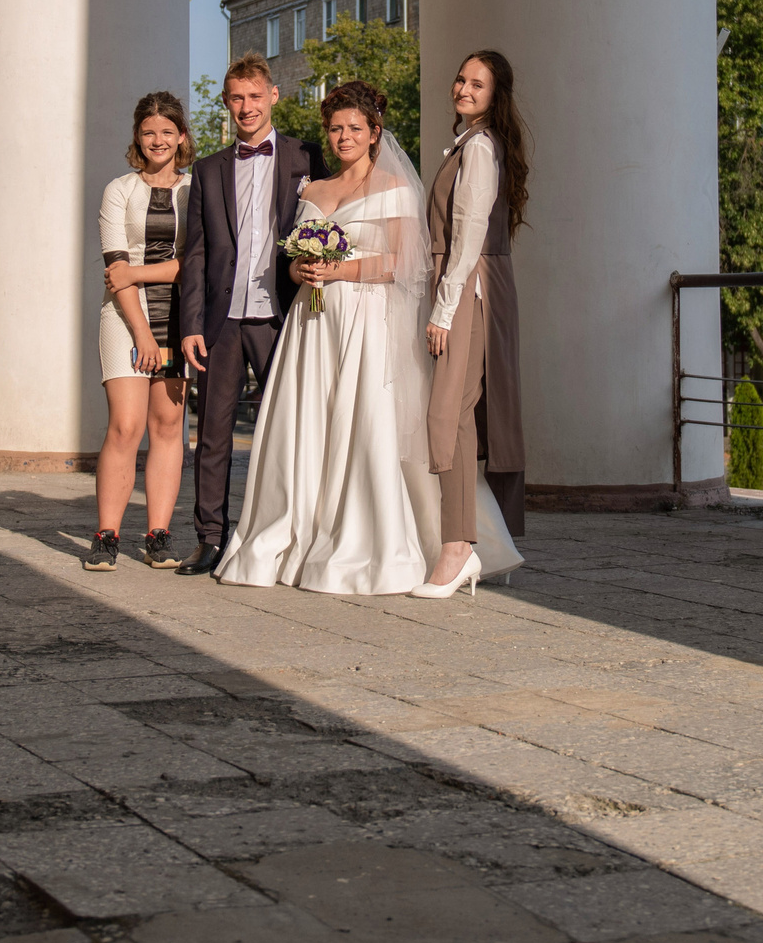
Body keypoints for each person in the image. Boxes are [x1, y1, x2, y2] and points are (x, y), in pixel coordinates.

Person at [217, 82, 518, 595]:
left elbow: (406, 263)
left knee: (364, 427)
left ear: (375, 133)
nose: (344, 137)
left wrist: (340, 269)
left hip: (367, 326)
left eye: (355, 128)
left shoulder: (395, 189)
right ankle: (293, 535)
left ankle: (378, 546)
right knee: (307, 427)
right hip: (313, 329)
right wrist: (302, 272)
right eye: (335, 129)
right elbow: (290, 263)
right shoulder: (310, 191)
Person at [173, 54, 313, 576]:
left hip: (283, 315)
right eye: (236, 98)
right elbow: (196, 254)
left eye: (255, 96)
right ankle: (211, 538)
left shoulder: (306, 158)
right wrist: (190, 325)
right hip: (221, 320)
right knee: (212, 432)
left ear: (273, 96)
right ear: (227, 102)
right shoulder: (208, 170)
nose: (246, 107)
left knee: (291, 427)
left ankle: (291, 533)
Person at [419, 49, 530, 599]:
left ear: (494, 95)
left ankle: (459, 547)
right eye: (461, 78)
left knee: (450, 413)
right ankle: (472, 542)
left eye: (477, 84)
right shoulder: (467, 144)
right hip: (467, 284)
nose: (464, 88)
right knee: (459, 416)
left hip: (468, 288)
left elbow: (468, 237)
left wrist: (443, 309)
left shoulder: (480, 149)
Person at [86, 93, 195, 572]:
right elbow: (115, 270)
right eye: (149, 132)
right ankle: (106, 535)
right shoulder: (118, 190)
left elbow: (193, 267)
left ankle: (158, 535)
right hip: (126, 320)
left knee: (169, 426)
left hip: (178, 316)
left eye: (167, 131)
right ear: (138, 137)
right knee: (126, 425)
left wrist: (139, 273)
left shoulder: (196, 190)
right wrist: (143, 336)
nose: (158, 140)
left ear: (181, 137)